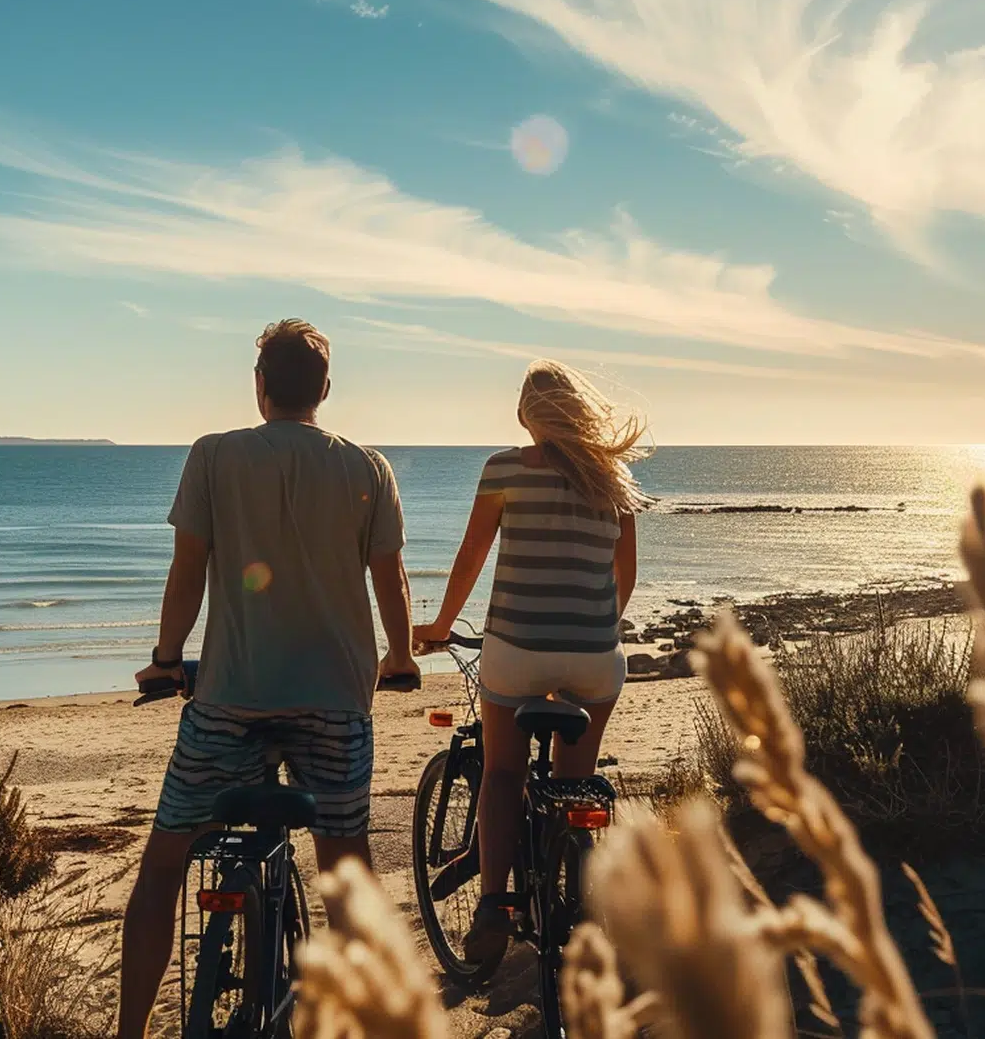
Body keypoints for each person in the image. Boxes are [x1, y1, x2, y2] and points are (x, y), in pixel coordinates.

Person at [115, 318, 419, 1039]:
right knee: (347, 872)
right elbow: (390, 578)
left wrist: (166, 658)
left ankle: (128, 1032)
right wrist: (400, 656)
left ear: (258, 388)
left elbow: (188, 571)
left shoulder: (214, 456)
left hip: (230, 700)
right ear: (324, 390)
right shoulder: (368, 467)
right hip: (335, 704)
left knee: (163, 866)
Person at [411, 358, 651, 968]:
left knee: (501, 774)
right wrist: (593, 627)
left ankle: (494, 905)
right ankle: (571, 887)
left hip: (515, 653)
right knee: (574, 781)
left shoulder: (504, 468)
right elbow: (626, 578)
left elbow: (470, 559)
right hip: (596, 659)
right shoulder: (615, 479)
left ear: (526, 414)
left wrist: (439, 628)